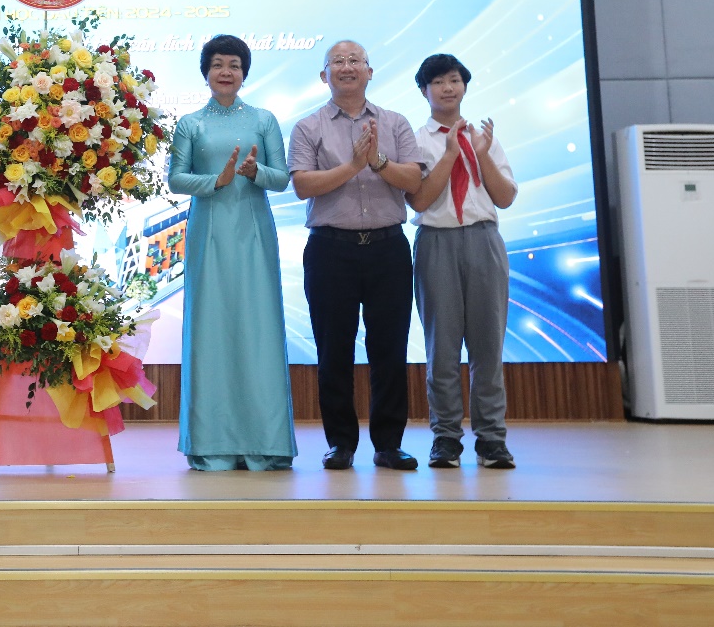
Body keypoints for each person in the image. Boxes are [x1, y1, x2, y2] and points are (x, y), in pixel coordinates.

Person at [288, 40, 425, 471]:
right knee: (334, 351)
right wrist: (352, 166)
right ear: (324, 75)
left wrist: (377, 160)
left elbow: (413, 182)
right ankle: (341, 444)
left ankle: (388, 444)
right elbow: (303, 185)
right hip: (331, 250)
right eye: (338, 62)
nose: (347, 67)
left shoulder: (395, 122)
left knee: (390, 349)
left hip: (388, 248)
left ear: (369, 71)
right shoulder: (308, 126)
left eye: (355, 61)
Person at [167, 35, 297, 470]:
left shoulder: (263, 119)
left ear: (244, 73)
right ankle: (213, 445)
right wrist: (216, 181)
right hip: (209, 233)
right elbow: (176, 179)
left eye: (235, 65)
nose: (226, 71)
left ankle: (266, 444)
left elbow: (282, 178)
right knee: (212, 329)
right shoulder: (190, 124)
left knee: (258, 328)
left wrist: (255, 171)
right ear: (206, 72)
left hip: (253, 232)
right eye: (218, 64)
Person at [407, 54, 518, 470]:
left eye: (454, 80)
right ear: (424, 91)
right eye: (438, 82)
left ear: (465, 87)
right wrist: (451, 154)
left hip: (484, 241)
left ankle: (491, 439)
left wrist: (481, 153)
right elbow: (418, 200)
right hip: (436, 242)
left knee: (488, 345)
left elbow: (504, 197)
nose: (447, 88)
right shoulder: (416, 140)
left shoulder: (484, 137)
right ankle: (446, 438)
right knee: (442, 347)